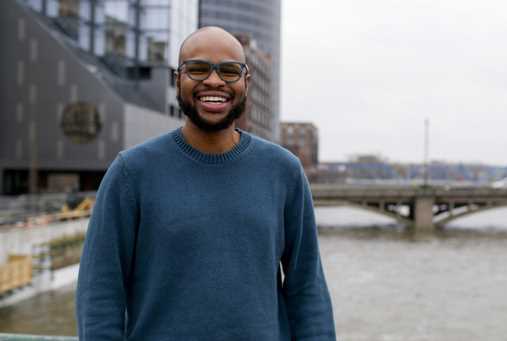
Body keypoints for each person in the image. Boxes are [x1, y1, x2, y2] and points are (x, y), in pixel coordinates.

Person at [76, 26, 336, 341]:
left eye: (229, 71)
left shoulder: (284, 172)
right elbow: (100, 293)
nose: (213, 81)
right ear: (177, 79)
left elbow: (307, 288)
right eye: (197, 69)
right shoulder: (131, 173)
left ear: (246, 82)